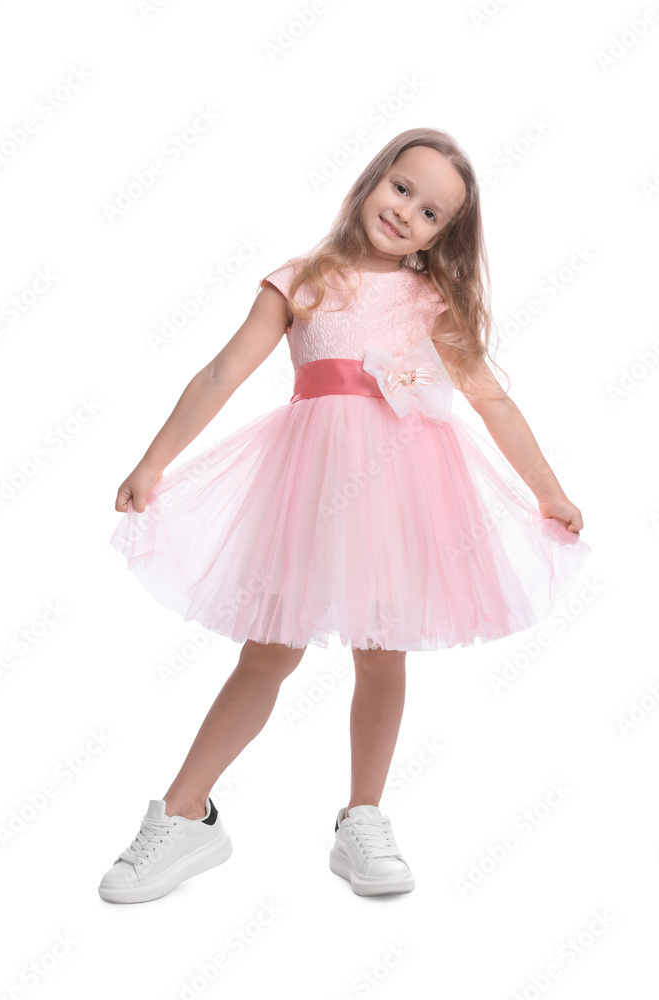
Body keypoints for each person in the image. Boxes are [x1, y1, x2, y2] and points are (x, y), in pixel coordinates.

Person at [98, 127, 592, 904]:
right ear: (372, 179)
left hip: (398, 490)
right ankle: (186, 813)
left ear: (442, 235)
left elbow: (489, 398)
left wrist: (547, 490)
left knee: (381, 651)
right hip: (307, 485)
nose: (406, 213)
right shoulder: (300, 280)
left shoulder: (430, 298)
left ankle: (362, 818)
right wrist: (154, 459)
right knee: (268, 652)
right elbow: (223, 371)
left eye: (430, 213)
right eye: (402, 188)